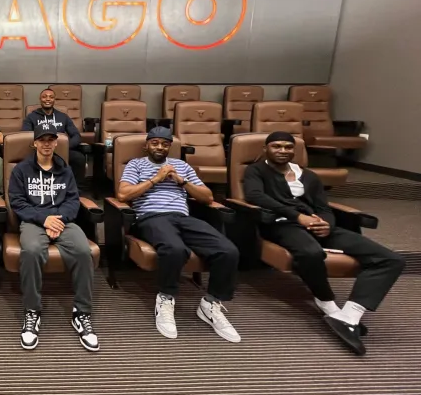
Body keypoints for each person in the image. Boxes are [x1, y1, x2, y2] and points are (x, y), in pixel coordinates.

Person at [243, 131, 405, 355]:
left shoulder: (308, 176)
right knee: (311, 253)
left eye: (288, 147)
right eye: (276, 146)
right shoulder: (256, 170)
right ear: (266, 149)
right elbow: (256, 197)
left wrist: (326, 224)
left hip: (319, 225)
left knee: (390, 259)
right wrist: (297, 216)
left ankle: (350, 315)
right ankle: (326, 301)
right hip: (282, 225)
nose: (282, 151)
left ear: (295, 150)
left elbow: (323, 208)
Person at [118, 127, 241, 343]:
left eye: (165, 144)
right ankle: (165, 298)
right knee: (174, 249)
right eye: (155, 143)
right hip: (151, 217)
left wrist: (181, 181)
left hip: (183, 217)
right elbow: (123, 194)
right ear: (146, 145)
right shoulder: (135, 164)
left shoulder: (183, 166)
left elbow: (206, 197)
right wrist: (156, 179)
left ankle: (210, 304)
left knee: (228, 250)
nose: (160, 147)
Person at [8, 124, 99, 352]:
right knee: (31, 251)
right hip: (33, 220)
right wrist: (43, 219)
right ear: (35, 143)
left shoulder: (65, 169)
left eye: (51, 140)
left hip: (63, 220)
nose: (47, 144)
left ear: (56, 143)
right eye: (43, 140)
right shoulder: (21, 170)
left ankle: (81, 312)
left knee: (82, 250)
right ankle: (32, 311)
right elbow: (17, 202)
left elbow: (72, 199)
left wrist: (58, 219)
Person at [21, 87, 86, 181]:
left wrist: (64, 147)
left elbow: (76, 135)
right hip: (39, 150)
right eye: (44, 97)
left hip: (60, 150)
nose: (47, 99)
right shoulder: (31, 117)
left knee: (79, 158)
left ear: (54, 100)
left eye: (51, 97)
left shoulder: (63, 116)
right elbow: (25, 136)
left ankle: (77, 190)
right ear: (40, 99)